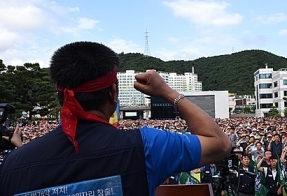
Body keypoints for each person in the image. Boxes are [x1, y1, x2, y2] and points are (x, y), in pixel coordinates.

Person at [0, 41, 231, 196]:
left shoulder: (13, 165)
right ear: (113, 94)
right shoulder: (146, 145)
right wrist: (167, 92)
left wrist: (21, 150)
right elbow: (220, 144)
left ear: (60, 95)